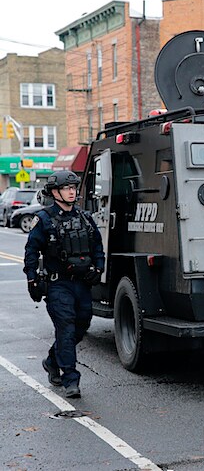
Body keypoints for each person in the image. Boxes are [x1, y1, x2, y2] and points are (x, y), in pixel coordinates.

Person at [24, 170, 105, 398]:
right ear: (55, 192)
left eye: (74, 188)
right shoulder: (45, 219)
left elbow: (98, 247)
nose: (72, 192)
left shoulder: (84, 218)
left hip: (82, 284)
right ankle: (71, 379)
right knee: (66, 328)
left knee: (81, 326)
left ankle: (52, 360)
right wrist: (32, 279)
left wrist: (98, 269)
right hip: (58, 285)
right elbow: (31, 252)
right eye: (67, 188)